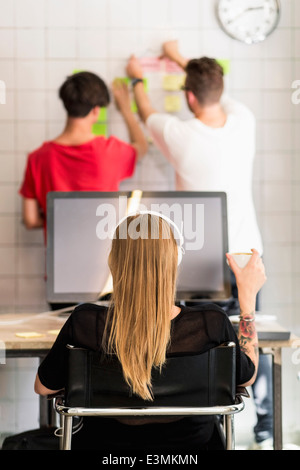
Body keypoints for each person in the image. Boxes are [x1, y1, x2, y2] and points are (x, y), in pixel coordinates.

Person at [125, 41, 272, 449]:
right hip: (247, 254)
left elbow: (145, 109)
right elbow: (211, 89)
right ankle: (263, 426)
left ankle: (191, 414)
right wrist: (182, 59)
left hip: (202, 258)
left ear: (188, 96)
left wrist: (137, 77)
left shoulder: (180, 133)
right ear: (218, 89)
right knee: (252, 334)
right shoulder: (244, 119)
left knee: (194, 340)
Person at [34, 212, 266, 451]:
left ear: (113, 261)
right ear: (175, 260)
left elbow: (44, 387)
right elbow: (246, 377)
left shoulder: (85, 322)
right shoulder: (210, 323)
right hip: (192, 449)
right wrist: (247, 300)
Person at [19, 71, 148, 238]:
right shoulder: (111, 151)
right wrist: (126, 110)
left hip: (57, 261)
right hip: (102, 258)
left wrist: (61, 218)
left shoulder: (37, 158)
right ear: (96, 111)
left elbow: (30, 219)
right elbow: (142, 146)